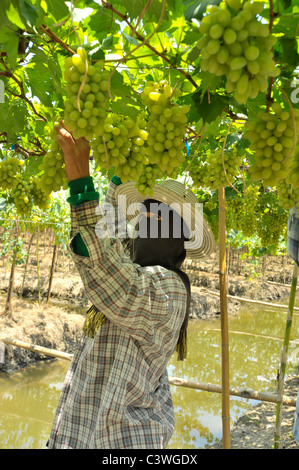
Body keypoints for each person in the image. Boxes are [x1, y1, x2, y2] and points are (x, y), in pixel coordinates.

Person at [46, 124, 215, 449]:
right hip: (79, 432)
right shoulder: (136, 262)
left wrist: (81, 184)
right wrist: (123, 170)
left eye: (156, 217)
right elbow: (108, 230)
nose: (143, 223)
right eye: (143, 215)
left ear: (179, 234)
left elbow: (113, 278)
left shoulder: (172, 288)